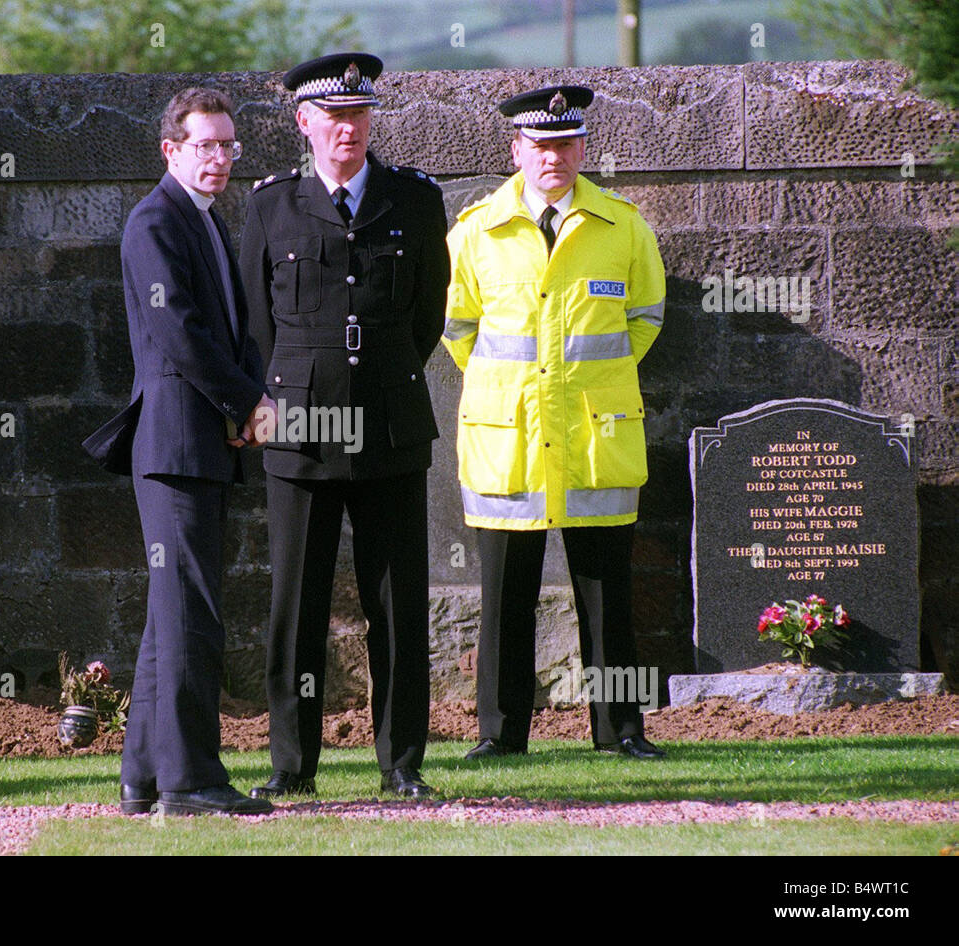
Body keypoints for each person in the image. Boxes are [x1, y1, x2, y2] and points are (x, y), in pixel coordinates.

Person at [240, 53, 450, 799]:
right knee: (296, 609)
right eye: (333, 117)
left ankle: (402, 764)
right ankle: (292, 767)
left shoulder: (416, 202)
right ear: (305, 122)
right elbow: (257, 327)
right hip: (299, 430)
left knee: (397, 605)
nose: (348, 129)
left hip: (390, 430)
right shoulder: (271, 206)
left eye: (359, 115)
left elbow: (427, 316)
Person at [443, 86, 668, 761]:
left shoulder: (623, 226)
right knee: (505, 599)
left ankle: (621, 731)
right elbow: (458, 330)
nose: (553, 157)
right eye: (539, 145)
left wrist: (589, 386)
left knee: (608, 598)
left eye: (565, 143)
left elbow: (646, 318)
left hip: (594, 439)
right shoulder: (476, 230)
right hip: (507, 440)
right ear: (515, 150)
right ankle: (500, 736)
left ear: (582, 148)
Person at [101, 87, 277, 816]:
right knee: (191, 614)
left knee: (171, 615)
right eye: (206, 145)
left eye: (229, 145)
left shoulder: (202, 219)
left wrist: (240, 406)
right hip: (174, 448)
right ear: (170, 150)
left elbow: (229, 333)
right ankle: (191, 782)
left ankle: (144, 780)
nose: (221, 159)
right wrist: (247, 402)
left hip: (201, 443)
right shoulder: (155, 221)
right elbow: (179, 335)